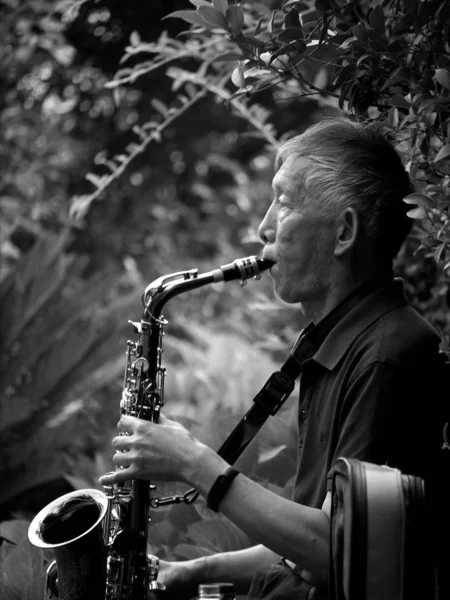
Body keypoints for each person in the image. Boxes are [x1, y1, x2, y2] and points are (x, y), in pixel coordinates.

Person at [99, 118, 448, 599]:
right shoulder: (344, 341)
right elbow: (306, 541)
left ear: (343, 232)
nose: (263, 226)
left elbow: (339, 552)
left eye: (283, 202)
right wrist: (192, 573)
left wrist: (195, 463)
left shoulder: (386, 357)